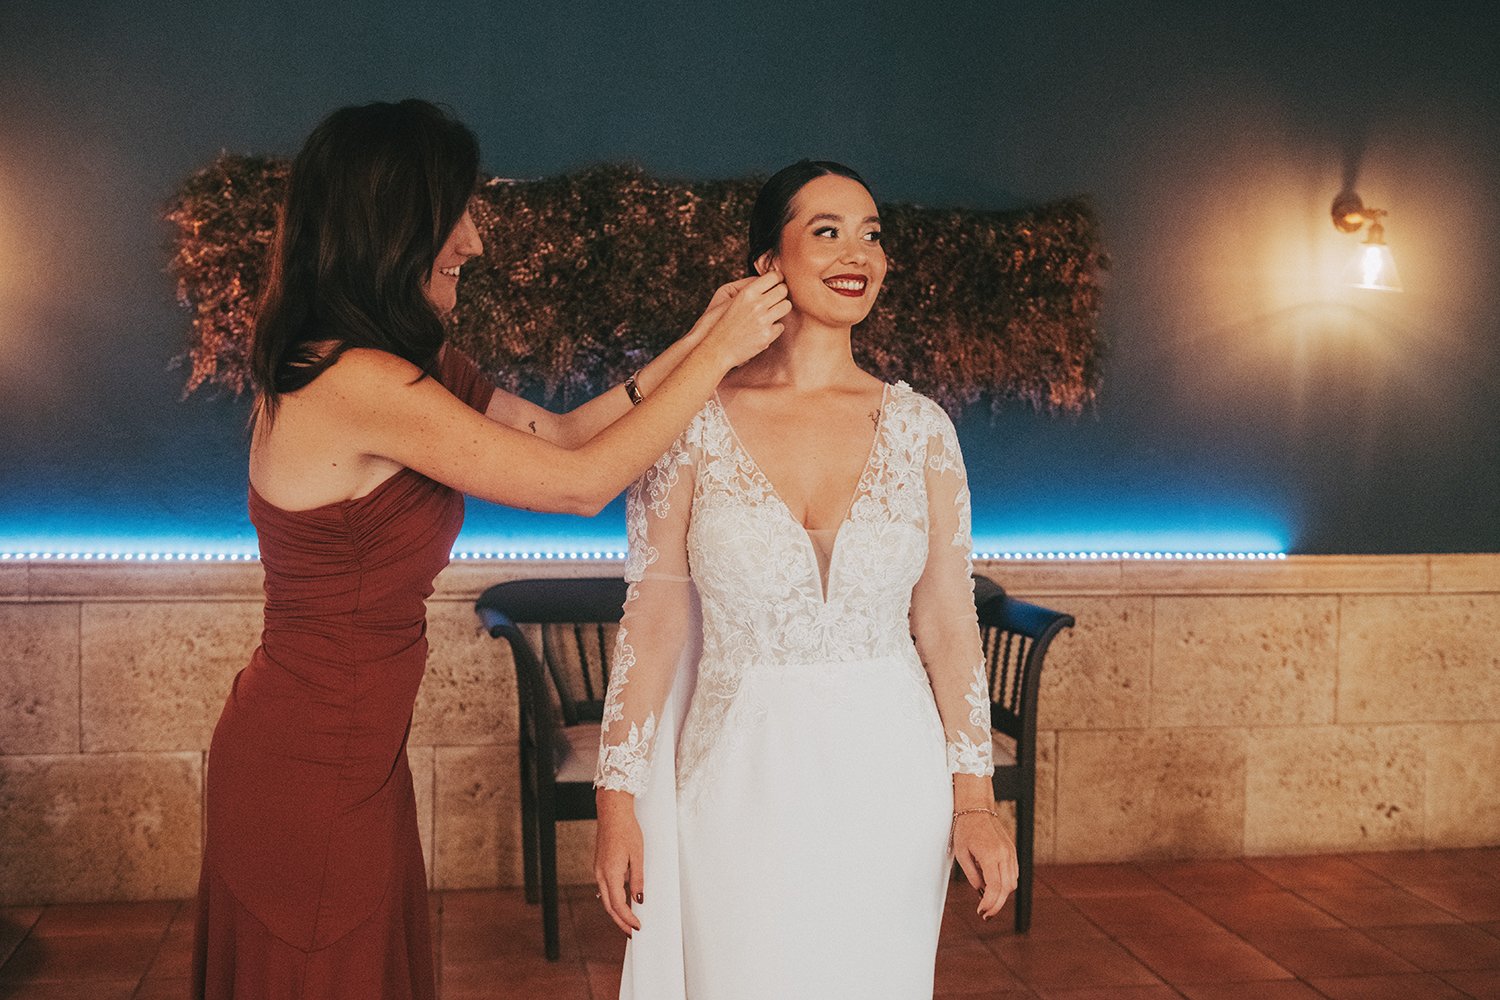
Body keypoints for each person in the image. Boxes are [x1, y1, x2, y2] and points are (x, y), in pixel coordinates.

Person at [190, 99, 788, 1000]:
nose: (475, 241)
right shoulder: (354, 382)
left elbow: (562, 433)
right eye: (457, 213)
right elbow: (583, 486)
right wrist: (717, 360)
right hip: (303, 771)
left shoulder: (413, 367)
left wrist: (704, 337)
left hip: (361, 761)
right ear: (396, 227)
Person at [592, 160, 1020, 999]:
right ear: (767, 265)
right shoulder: (691, 425)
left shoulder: (922, 429)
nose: (856, 250)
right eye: (825, 230)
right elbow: (651, 623)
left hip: (894, 786)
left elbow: (946, 622)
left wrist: (974, 798)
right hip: (737, 785)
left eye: (871, 233)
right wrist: (617, 806)